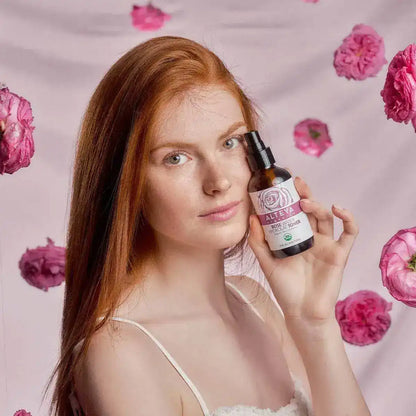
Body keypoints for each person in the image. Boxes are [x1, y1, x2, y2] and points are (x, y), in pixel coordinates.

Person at [43, 35, 371, 416]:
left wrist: (315, 324)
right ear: (124, 180)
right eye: (176, 158)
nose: (219, 182)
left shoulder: (256, 303)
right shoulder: (120, 352)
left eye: (230, 143)